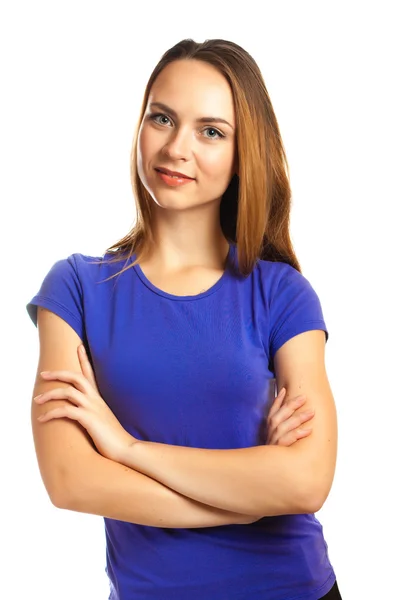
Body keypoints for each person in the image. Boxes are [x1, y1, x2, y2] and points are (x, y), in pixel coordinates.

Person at [26, 38, 341, 600]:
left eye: (211, 131)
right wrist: (246, 500)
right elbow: (71, 480)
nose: (176, 148)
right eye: (162, 118)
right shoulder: (76, 289)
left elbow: (306, 481)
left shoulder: (282, 295)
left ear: (244, 154)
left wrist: (126, 450)